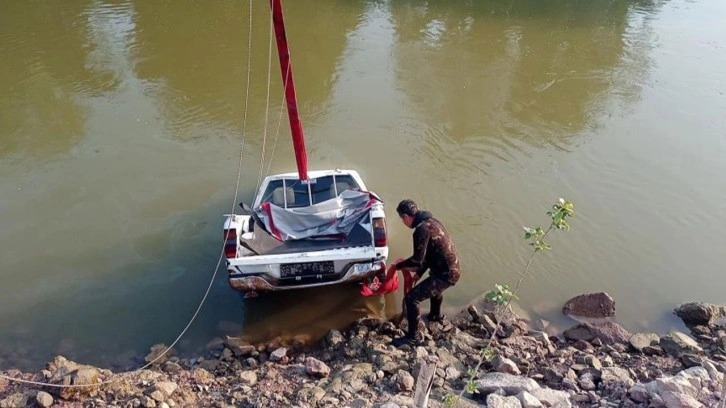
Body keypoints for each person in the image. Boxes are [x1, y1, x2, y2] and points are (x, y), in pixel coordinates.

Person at [390, 199, 460, 347]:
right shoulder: (432, 222)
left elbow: (417, 261)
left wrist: (398, 266)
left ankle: (412, 337)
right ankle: (435, 316)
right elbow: (428, 255)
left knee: (411, 299)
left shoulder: (421, 230)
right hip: (451, 269)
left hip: (446, 274)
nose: (403, 222)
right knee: (434, 288)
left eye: (401, 219)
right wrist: (419, 274)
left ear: (406, 217)